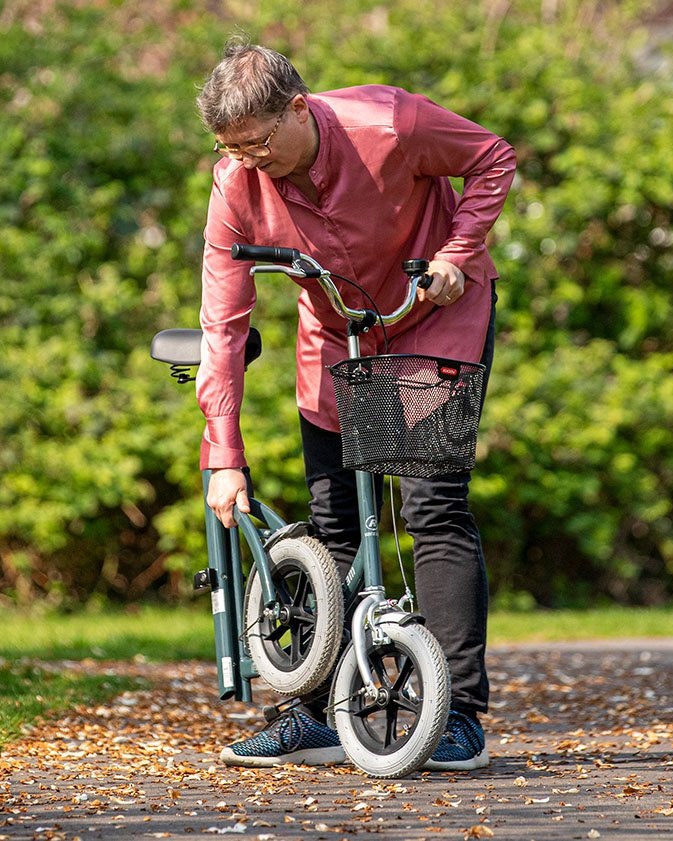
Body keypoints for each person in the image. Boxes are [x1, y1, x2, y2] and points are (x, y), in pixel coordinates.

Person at [193, 40, 515, 772]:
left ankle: (457, 714)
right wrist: (225, 456)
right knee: (335, 520)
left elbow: (492, 156)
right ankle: (317, 716)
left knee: (430, 508)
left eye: (260, 142)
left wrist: (459, 252)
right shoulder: (235, 185)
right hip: (338, 334)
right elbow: (224, 324)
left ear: (299, 108)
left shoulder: (388, 123)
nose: (250, 161)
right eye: (231, 147)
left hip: (430, 313)